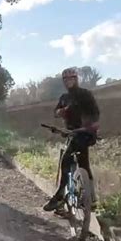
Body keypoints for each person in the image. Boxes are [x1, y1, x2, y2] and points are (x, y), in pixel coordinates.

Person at [43, 67, 100, 212]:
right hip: (70, 132)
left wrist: (91, 124)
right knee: (83, 163)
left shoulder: (85, 94)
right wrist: (59, 112)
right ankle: (91, 199)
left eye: (71, 78)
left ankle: (60, 197)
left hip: (84, 132)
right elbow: (56, 112)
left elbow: (95, 112)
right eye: (66, 79)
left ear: (76, 79)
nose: (69, 81)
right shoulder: (64, 98)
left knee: (66, 161)